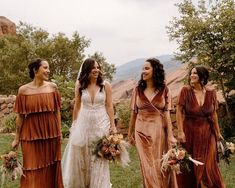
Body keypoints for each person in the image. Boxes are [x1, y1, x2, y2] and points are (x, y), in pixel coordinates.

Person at [62, 58, 117, 188]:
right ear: (87, 70)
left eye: (98, 67)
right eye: (93, 68)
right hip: (84, 123)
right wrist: (74, 124)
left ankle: (99, 184)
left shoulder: (105, 85)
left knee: (99, 154)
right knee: (83, 154)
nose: (96, 70)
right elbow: (77, 105)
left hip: (101, 123)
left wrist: (113, 126)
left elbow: (109, 106)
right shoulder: (80, 85)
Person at [12, 58, 64, 188]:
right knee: (31, 166)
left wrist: (59, 132)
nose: (48, 70)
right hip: (30, 134)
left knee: (50, 166)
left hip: (51, 132)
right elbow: (20, 116)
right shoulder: (23, 90)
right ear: (36, 70)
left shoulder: (53, 87)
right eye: (45, 68)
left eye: (48, 68)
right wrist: (16, 138)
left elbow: (57, 112)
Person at [128, 58, 178, 188]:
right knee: (146, 165)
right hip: (140, 130)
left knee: (157, 163)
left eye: (146, 68)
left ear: (155, 70)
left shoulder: (164, 89)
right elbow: (133, 113)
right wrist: (129, 134)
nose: (143, 71)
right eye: (142, 69)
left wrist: (171, 135)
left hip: (157, 131)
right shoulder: (137, 89)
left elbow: (167, 113)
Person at [176, 66, 225, 188]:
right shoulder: (185, 91)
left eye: (195, 73)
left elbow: (213, 114)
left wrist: (218, 133)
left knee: (208, 164)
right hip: (190, 132)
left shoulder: (211, 93)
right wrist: (180, 131)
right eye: (191, 73)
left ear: (202, 76)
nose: (192, 75)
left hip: (208, 133)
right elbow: (178, 111)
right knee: (192, 165)